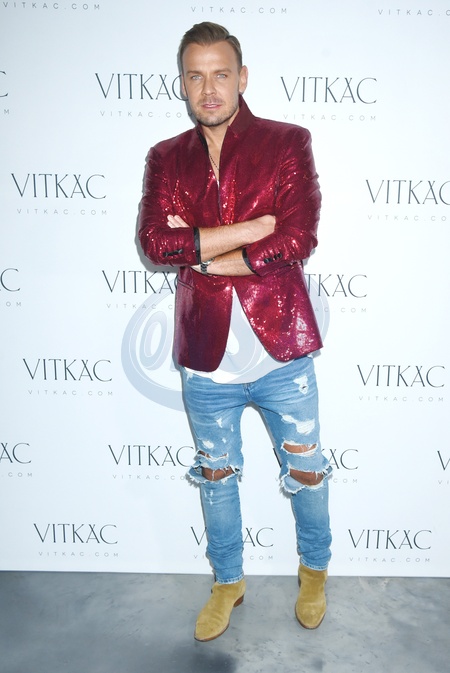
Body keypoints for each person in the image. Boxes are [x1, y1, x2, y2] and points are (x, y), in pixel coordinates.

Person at [138, 21, 332, 641]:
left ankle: (314, 571)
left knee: (307, 473)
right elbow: (155, 243)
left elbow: (298, 236)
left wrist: (201, 252)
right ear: (183, 83)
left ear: (241, 77)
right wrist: (253, 229)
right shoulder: (165, 158)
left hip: (282, 354)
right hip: (206, 359)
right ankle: (228, 581)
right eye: (195, 76)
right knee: (216, 478)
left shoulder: (287, 143)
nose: (209, 89)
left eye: (221, 74)